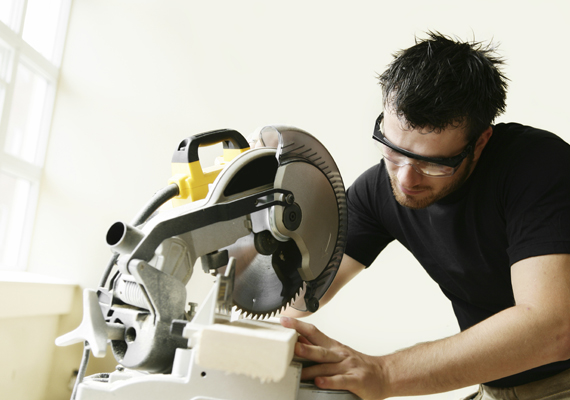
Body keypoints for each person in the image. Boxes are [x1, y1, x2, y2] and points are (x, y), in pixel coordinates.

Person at [279, 32, 570, 400]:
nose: (405, 178)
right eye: (393, 150)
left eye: (433, 163)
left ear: (479, 143)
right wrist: (262, 221)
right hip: (495, 388)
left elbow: (552, 330)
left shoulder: (538, 169)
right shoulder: (378, 191)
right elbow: (301, 296)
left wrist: (384, 373)